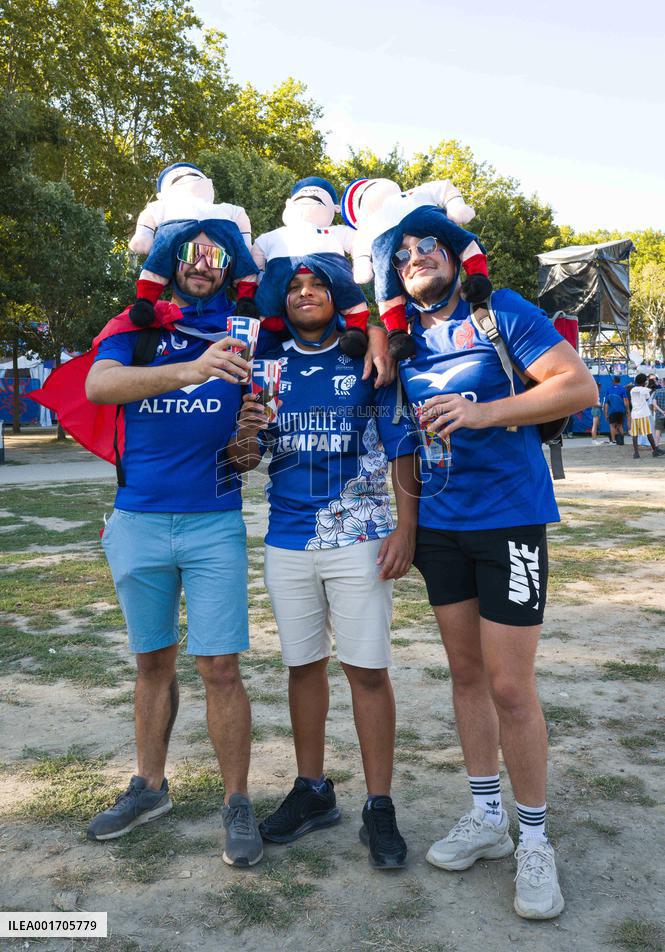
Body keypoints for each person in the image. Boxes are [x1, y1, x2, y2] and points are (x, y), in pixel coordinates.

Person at [392, 207, 596, 919]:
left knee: (511, 687)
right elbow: (401, 444)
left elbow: (576, 388)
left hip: (509, 521)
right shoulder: (402, 341)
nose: (417, 257)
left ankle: (534, 840)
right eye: (404, 253)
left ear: (455, 257)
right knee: (467, 677)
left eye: (429, 247)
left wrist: (483, 413)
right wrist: (408, 524)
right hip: (441, 530)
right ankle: (486, 819)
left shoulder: (498, 312)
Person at [225, 260, 420, 870]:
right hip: (287, 538)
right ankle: (312, 791)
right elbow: (242, 460)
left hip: (359, 535)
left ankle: (379, 806)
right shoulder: (262, 363)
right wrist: (246, 437)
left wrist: (405, 530)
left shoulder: (369, 357)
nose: (306, 294)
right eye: (295, 288)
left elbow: (402, 446)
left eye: (317, 287)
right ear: (283, 303)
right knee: (302, 667)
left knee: (366, 670)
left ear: (337, 298)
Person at [84, 223, 265, 867]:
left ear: (228, 269)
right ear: (170, 262)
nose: (202, 268)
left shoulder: (250, 329)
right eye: (190, 257)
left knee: (219, 666)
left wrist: (252, 439)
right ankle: (150, 788)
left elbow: (251, 442)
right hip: (137, 519)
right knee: (151, 663)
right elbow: (99, 386)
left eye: (215, 259)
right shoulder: (136, 324)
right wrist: (189, 367)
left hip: (214, 519)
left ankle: (236, 800)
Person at [629, 373, 665, 459]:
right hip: (643, 414)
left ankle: (636, 453)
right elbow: (647, 396)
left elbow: (645, 394)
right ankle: (655, 450)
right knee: (648, 433)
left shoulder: (632, 390)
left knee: (635, 435)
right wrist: (650, 385)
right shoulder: (644, 389)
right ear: (643, 382)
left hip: (634, 415)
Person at [603, 375, 629, 445]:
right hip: (621, 410)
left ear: (613, 381)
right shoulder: (623, 389)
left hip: (612, 411)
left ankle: (613, 441)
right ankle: (622, 440)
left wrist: (605, 414)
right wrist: (627, 410)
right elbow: (625, 401)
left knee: (612, 425)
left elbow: (606, 403)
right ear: (619, 381)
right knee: (620, 425)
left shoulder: (609, 389)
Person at [651, 379, 665, 445]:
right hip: (661, 413)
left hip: (659, 415)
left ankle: (656, 447)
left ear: (663, 383)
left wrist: (662, 411)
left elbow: (654, 403)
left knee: (658, 431)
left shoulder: (657, 391)